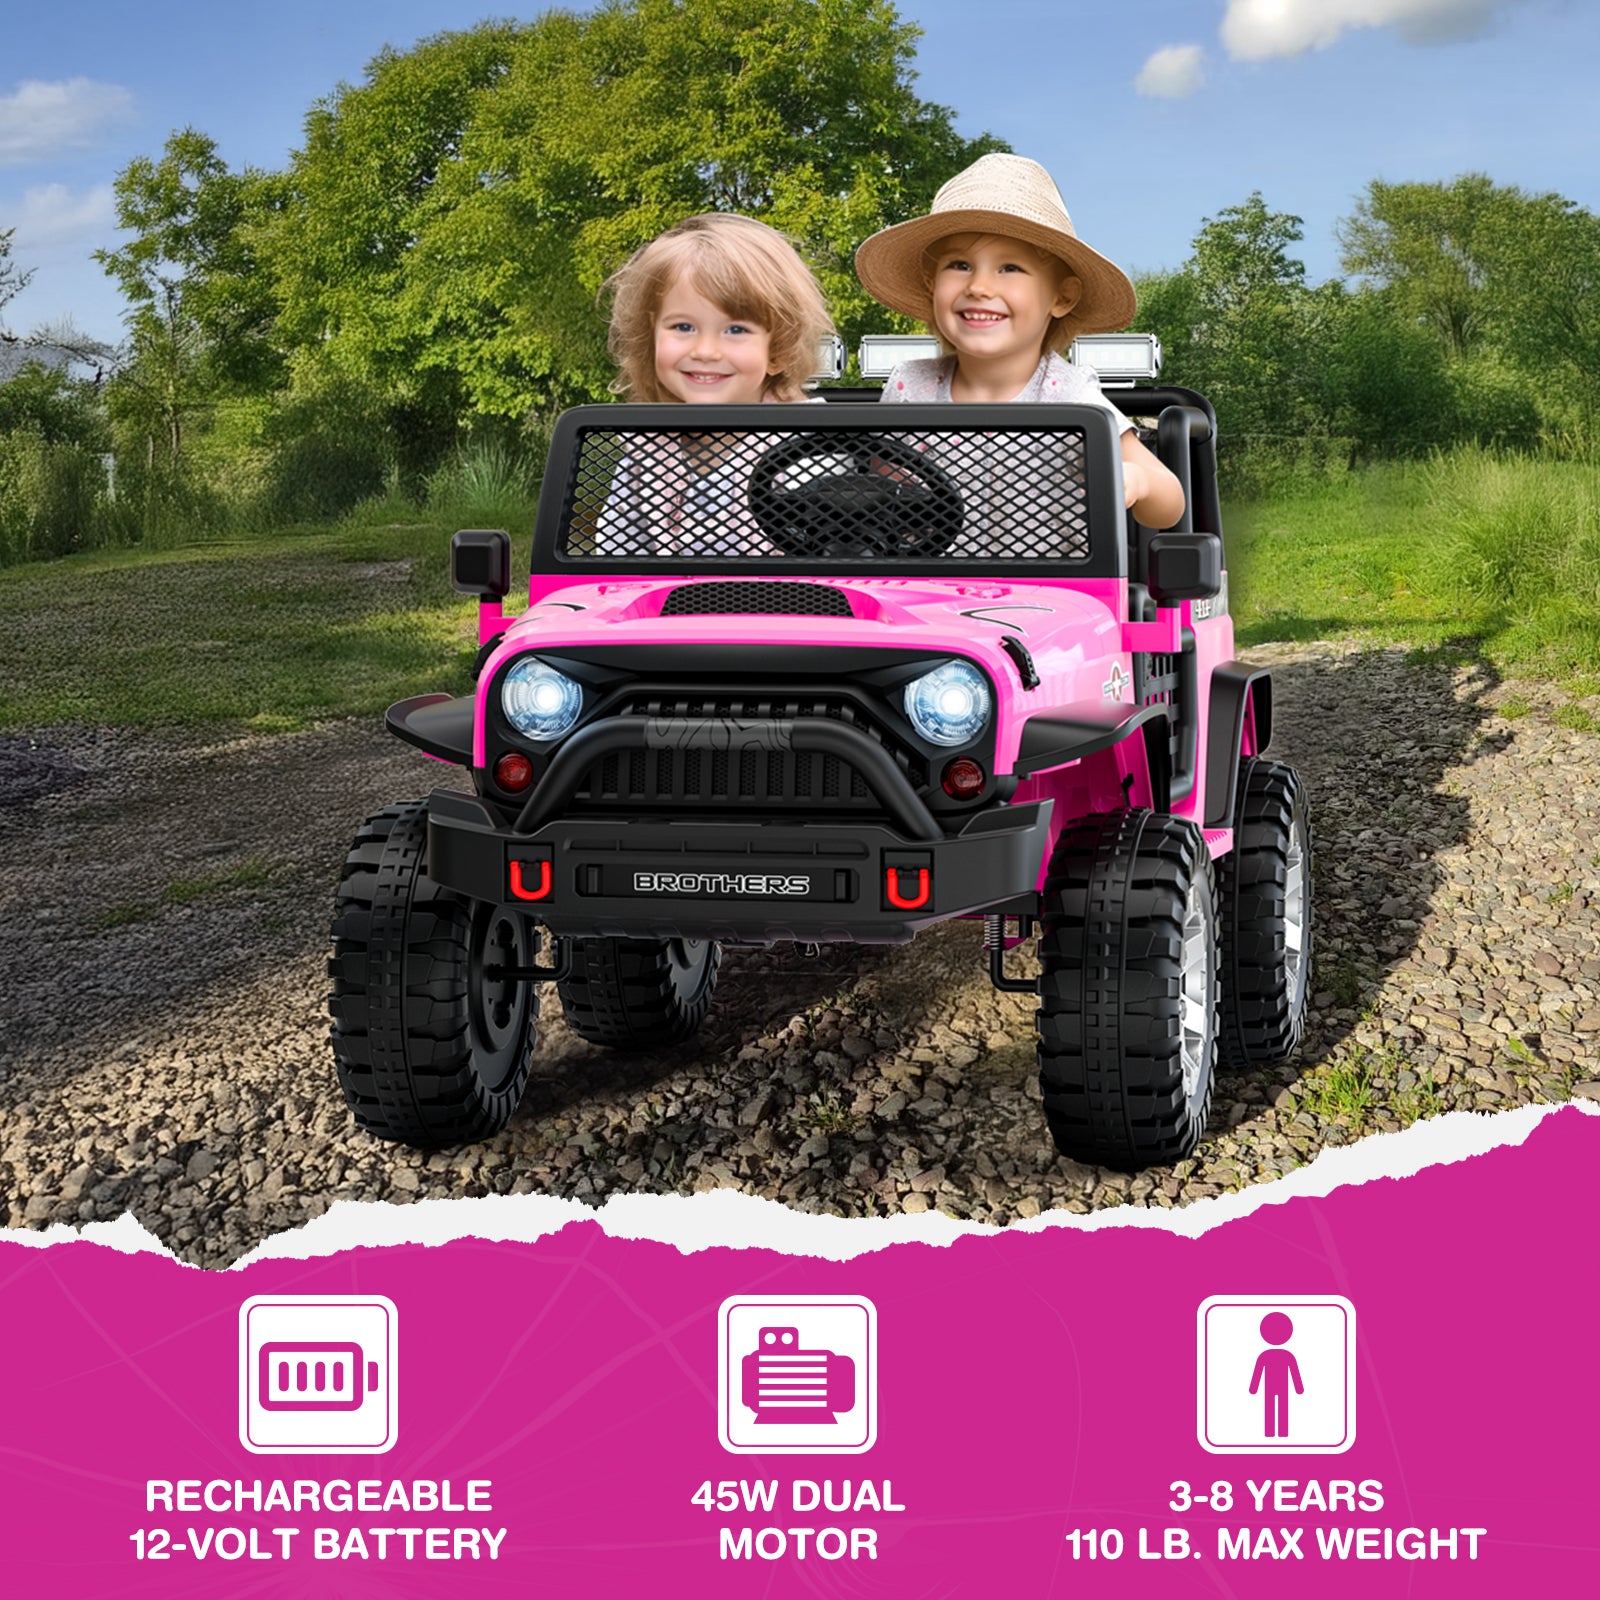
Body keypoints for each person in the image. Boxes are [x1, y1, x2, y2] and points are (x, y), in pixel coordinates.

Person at [855, 153, 1187, 541]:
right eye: (959, 265)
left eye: (1010, 268)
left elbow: (1170, 502)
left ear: (1061, 297)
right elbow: (882, 489)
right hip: (926, 591)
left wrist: (1135, 481)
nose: (979, 286)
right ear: (932, 283)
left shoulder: (1070, 395)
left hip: (1053, 593)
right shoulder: (909, 386)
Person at [595, 213, 834, 556]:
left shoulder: (808, 447)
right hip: (665, 607)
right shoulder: (644, 452)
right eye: (682, 327)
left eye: (736, 330)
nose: (705, 351)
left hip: (782, 607)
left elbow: (833, 564)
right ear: (652, 335)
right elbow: (609, 566)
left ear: (778, 350)